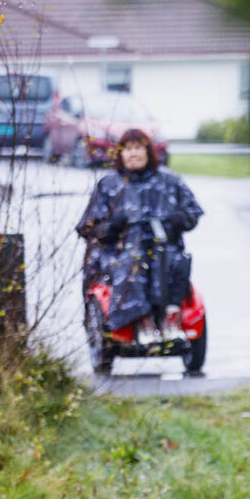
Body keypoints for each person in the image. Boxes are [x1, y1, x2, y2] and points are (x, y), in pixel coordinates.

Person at [76, 128, 202, 346]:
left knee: (174, 262)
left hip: (164, 247)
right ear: (120, 154)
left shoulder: (169, 181)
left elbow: (192, 213)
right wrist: (111, 227)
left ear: (148, 152)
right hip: (119, 251)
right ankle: (142, 321)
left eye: (138, 148)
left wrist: (174, 220)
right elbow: (87, 228)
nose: (133, 154)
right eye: (128, 149)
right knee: (133, 262)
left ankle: (171, 318)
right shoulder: (109, 185)